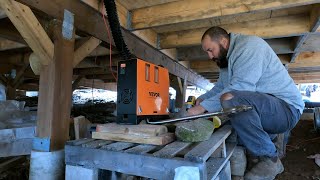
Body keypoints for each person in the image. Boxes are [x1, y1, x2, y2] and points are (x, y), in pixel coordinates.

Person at [186, 27, 304, 179]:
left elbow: (241, 87)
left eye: (211, 50)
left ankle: (271, 159)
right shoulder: (227, 60)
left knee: (231, 100)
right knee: (230, 104)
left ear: (223, 41)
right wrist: (203, 98)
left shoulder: (250, 46)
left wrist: (202, 108)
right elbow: (221, 87)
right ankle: (257, 153)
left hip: (287, 110)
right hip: (266, 109)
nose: (210, 56)